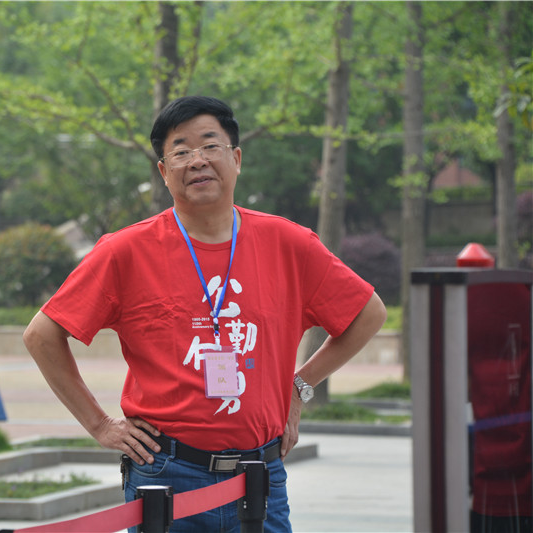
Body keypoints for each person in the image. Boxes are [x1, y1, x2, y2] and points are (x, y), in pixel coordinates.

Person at [23, 95, 387, 532]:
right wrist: (100, 425)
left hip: (260, 475)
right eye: (180, 152)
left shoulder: (289, 244)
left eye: (211, 146)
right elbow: (41, 335)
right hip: (166, 474)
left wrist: (299, 388)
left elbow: (368, 314)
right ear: (164, 172)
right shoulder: (126, 251)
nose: (197, 160)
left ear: (236, 159)